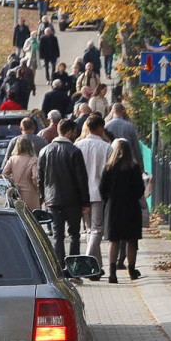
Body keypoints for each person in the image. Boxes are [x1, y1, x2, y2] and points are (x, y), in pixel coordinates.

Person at [38, 119, 89, 262]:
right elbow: (81, 179)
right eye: (74, 132)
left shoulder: (45, 151)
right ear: (68, 132)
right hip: (73, 201)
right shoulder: (74, 151)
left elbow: (40, 178)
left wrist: (44, 197)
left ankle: (59, 267)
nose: (76, 134)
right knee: (74, 235)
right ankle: (74, 268)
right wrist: (85, 202)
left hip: (53, 200)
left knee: (58, 235)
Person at [100, 138, 146, 283]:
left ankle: (112, 273)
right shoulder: (134, 167)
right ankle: (132, 270)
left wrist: (108, 199)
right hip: (131, 207)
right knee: (131, 241)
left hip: (113, 207)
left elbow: (102, 189)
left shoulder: (108, 168)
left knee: (113, 241)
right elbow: (140, 190)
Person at [75, 116, 113, 270]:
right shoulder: (106, 147)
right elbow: (110, 172)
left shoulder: (78, 146)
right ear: (101, 128)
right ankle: (87, 261)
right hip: (98, 192)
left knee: (90, 229)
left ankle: (96, 267)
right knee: (97, 230)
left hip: (81, 193)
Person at [2, 136, 41, 209]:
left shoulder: (12, 159)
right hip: (30, 193)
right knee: (32, 216)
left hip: (16, 193)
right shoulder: (33, 159)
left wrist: (12, 182)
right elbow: (35, 176)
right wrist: (38, 190)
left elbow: (4, 174)